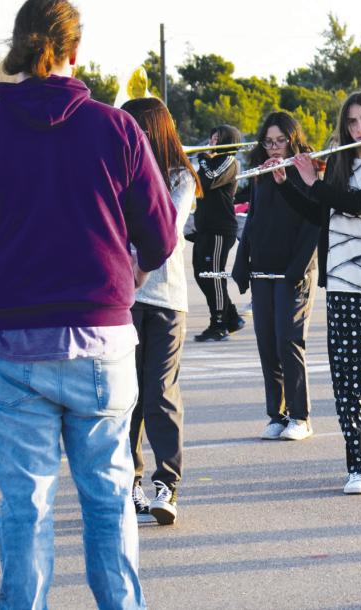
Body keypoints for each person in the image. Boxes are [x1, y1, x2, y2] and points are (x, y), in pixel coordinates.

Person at [0, 1, 175, 606]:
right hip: (101, 336)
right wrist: (132, 268)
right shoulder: (115, 128)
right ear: (75, 50)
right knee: (108, 496)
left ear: (18, 46)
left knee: (26, 506)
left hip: (14, 338)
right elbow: (162, 235)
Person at [270, 90, 361, 495]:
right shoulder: (337, 168)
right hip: (343, 286)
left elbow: (360, 205)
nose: (359, 128)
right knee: (347, 376)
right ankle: (357, 463)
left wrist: (313, 180)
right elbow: (322, 212)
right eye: (351, 122)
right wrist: (287, 184)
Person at [120, 97, 199, 526]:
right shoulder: (121, 173)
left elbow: (165, 227)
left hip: (166, 300)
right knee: (127, 395)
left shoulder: (180, 177)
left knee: (160, 393)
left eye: (133, 127)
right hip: (125, 300)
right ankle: (130, 481)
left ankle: (166, 482)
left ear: (151, 130)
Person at [232, 112, 323, 441]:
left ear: (293, 139)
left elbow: (313, 224)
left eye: (280, 141)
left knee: (289, 342)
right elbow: (253, 221)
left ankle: (301, 416)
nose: (274, 148)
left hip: (294, 273)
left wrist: (298, 269)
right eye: (268, 142)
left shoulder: (306, 171)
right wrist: (242, 268)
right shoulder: (260, 175)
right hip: (262, 271)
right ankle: (277, 414)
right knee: (267, 345)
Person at [192, 124, 247, 342]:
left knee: (213, 275)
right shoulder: (209, 162)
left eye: (216, 139)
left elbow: (209, 179)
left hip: (220, 228)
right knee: (201, 274)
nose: (211, 142)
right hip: (205, 227)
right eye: (211, 137)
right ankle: (231, 316)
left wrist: (203, 159)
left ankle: (219, 324)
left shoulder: (229, 161)